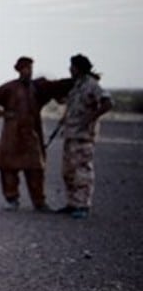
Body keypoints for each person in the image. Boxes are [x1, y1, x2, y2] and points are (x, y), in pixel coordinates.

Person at [0, 57, 72, 212]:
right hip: (12, 135)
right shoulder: (9, 88)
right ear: (18, 70)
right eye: (24, 68)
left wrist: (77, 80)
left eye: (29, 68)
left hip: (31, 135)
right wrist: (2, 113)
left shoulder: (38, 88)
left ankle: (39, 201)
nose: (27, 72)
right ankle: (12, 199)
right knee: (8, 168)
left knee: (36, 169)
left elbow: (57, 87)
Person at [55, 54, 113, 219]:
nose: (70, 69)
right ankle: (72, 203)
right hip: (71, 134)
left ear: (79, 67)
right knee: (68, 171)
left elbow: (108, 102)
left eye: (72, 66)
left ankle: (82, 205)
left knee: (82, 171)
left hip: (83, 136)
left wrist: (91, 118)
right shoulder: (77, 87)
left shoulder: (91, 85)